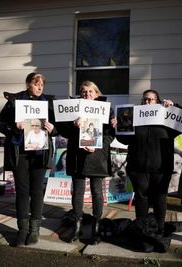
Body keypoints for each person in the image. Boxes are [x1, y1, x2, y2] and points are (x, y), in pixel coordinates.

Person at [0, 72, 57, 247]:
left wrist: (53, 129)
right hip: (20, 152)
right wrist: (13, 127)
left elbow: (58, 129)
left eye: (42, 85)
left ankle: (34, 230)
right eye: (36, 84)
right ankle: (22, 230)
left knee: (37, 191)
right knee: (22, 192)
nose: (40, 87)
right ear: (28, 84)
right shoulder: (15, 101)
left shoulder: (49, 103)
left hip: (40, 152)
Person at [116, 89, 182, 251]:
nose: (147, 102)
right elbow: (123, 139)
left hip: (161, 167)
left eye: (151, 100)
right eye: (145, 99)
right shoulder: (134, 118)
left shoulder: (166, 116)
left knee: (160, 198)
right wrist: (118, 125)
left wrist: (174, 107)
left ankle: (159, 229)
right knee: (141, 198)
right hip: (138, 167)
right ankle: (141, 229)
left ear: (158, 101)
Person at [56, 81, 116, 244]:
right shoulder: (73, 108)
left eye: (90, 91)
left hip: (97, 157)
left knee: (97, 192)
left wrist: (97, 146)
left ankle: (95, 229)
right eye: (83, 92)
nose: (87, 94)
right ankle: (76, 227)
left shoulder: (107, 109)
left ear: (97, 94)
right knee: (78, 191)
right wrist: (73, 125)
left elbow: (110, 135)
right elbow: (62, 130)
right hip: (77, 156)